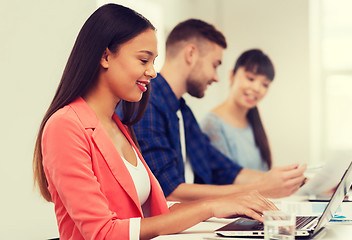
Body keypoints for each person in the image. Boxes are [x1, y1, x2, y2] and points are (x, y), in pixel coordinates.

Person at [33, 4, 277, 240]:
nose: (152, 71)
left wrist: (226, 205)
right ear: (105, 56)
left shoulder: (121, 125)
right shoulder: (64, 126)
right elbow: (103, 233)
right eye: (143, 60)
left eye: (153, 61)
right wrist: (210, 207)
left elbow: (156, 214)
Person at [131, 19, 306, 202]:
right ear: (191, 54)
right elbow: (169, 191)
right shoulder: (147, 103)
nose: (216, 77)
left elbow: (224, 169)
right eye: (215, 65)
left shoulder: (183, 112)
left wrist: (293, 181)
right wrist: (260, 188)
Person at [200, 49, 274, 171]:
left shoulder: (253, 122)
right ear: (231, 76)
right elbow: (225, 179)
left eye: (265, 84)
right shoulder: (211, 125)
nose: (256, 88)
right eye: (250, 78)